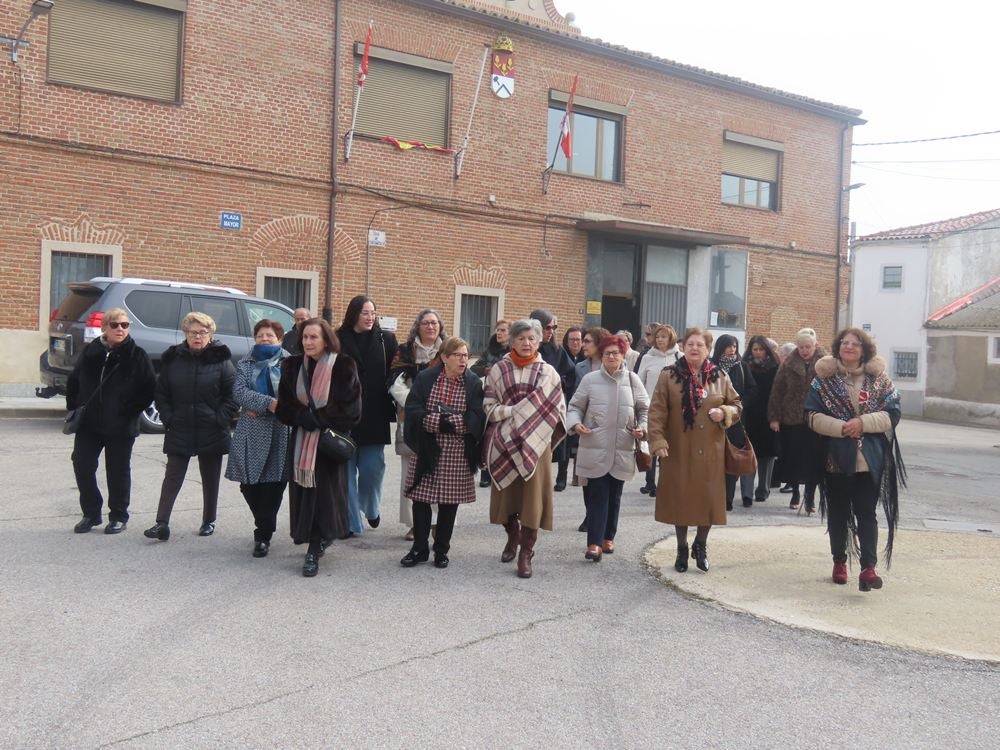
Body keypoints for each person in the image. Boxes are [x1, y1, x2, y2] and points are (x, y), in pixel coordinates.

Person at [806, 328, 904, 590]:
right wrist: (841, 428)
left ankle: (868, 569)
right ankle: (839, 561)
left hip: (869, 460)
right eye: (845, 343)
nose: (849, 347)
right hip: (836, 459)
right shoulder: (823, 381)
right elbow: (811, 415)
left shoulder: (879, 380)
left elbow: (893, 413)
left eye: (855, 344)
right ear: (838, 348)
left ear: (865, 350)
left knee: (866, 513)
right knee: (838, 512)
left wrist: (862, 423)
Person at [647, 327, 742, 573]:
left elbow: (737, 404)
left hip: (711, 450)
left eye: (700, 344)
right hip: (678, 448)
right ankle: (681, 547)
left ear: (708, 349)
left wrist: (725, 412)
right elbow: (657, 411)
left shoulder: (720, 376)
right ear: (683, 346)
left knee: (708, 500)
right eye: (690, 343)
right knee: (681, 500)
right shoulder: (669, 375)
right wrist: (657, 442)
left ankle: (701, 544)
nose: (694, 348)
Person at [275, 318, 362, 576]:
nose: (308, 342)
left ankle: (315, 546)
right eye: (305, 337)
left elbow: (353, 410)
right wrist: (302, 417)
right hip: (302, 441)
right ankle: (314, 537)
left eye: (314, 337)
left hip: (326, 443)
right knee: (305, 493)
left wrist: (321, 419)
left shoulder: (344, 365)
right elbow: (284, 406)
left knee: (326, 495)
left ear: (327, 339)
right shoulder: (291, 366)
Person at [483, 318, 567, 579]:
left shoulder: (548, 372)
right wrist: (512, 412)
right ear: (512, 341)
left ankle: (526, 552)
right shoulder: (498, 370)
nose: (526, 343)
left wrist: (529, 426)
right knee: (506, 498)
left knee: (532, 501)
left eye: (532, 338)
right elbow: (487, 406)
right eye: (521, 338)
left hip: (537, 445)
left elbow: (557, 410)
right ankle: (512, 537)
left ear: (540, 340)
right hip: (504, 442)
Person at [145, 312, 237, 541]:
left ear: (210, 335)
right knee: (173, 475)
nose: (198, 337)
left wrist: (220, 418)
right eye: (193, 332)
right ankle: (161, 523)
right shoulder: (173, 359)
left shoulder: (221, 361)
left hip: (212, 427)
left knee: (210, 477)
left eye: (203, 333)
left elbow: (232, 395)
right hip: (180, 426)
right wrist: (169, 418)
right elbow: (162, 392)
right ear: (185, 334)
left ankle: (209, 520)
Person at [66, 308, 156, 534]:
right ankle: (90, 513)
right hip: (90, 424)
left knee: (117, 471)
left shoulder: (137, 355)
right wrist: (75, 406)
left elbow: (148, 389)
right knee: (82, 464)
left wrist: (129, 411)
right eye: (115, 325)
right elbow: (74, 380)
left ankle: (118, 516)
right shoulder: (91, 351)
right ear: (104, 327)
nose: (120, 329)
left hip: (120, 424)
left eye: (125, 325)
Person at [400, 337, 485, 568]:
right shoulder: (426, 378)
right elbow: (414, 408)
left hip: (457, 451)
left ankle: (441, 550)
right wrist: (436, 422)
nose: (463, 359)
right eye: (457, 355)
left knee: (449, 503)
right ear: (444, 357)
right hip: (428, 448)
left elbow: (477, 416)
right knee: (420, 499)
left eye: (466, 355)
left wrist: (456, 424)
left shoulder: (474, 383)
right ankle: (419, 548)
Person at [567, 334, 648, 561]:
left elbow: (645, 410)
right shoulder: (590, 380)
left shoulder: (633, 380)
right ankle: (593, 543)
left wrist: (642, 428)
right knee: (597, 495)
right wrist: (575, 423)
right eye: (606, 353)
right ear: (601, 356)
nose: (611, 357)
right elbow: (574, 406)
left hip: (623, 447)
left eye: (615, 353)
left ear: (623, 355)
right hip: (595, 446)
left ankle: (608, 537)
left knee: (615, 495)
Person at [225, 319, 291, 557]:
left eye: (270, 336)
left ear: (280, 339)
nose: (265, 339)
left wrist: (266, 405)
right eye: (261, 335)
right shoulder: (246, 362)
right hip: (251, 430)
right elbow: (239, 392)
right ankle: (265, 522)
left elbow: (293, 394)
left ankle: (263, 534)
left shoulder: (290, 362)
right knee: (249, 483)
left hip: (280, 430)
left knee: (274, 483)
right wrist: (269, 403)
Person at [337, 295, 399, 535]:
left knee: (373, 470)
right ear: (353, 314)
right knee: (346, 472)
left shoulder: (386, 340)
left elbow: (396, 372)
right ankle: (352, 523)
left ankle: (371, 509)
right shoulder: (338, 339)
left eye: (373, 312)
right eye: (365, 312)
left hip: (375, 413)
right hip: (344, 415)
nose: (370, 317)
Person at [388, 308, 446, 540]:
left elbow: (457, 378)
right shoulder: (405, 351)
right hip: (410, 419)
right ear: (418, 326)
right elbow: (395, 382)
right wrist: (416, 404)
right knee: (409, 473)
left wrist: (434, 406)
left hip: (440, 417)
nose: (430, 327)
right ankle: (414, 524)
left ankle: (434, 523)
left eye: (434, 323)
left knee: (437, 472)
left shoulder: (448, 350)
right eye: (425, 323)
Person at [768, 327, 826, 513]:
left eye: (808, 346)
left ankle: (810, 496)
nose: (804, 350)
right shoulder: (788, 363)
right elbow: (777, 391)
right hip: (792, 417)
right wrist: (774, 417)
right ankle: (795, 492)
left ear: (815, 345)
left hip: (817, 418)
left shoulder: (826, 363)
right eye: (801, 347)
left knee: (814, 459)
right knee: (793, 457)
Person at [530, 308, 575, 492]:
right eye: (548, 327)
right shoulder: (526, 347)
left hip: (553, 405)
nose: (551, 332)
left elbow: (571, 374)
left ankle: (561, 476)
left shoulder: (557, 350)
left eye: (554, 327)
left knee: (557, 442)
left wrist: (556, 383)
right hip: (531, 408)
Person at [712, 334, 758, 511]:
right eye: (729, 346)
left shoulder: (742, 366)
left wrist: (738, 404)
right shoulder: (711, 366)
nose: (732, 350)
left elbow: (753, 389)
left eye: (735, 346)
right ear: (721, 347)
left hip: (736, 420)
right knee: (714, 458)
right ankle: (714, 496)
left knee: (732, 457)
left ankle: (727, 500)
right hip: (713, 418)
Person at [635, 323, 680, 495]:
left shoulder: (679, 357)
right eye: (658, 336)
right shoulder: (647, 357)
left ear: (671, 339)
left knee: (666, 445)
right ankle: (650, 482)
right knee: (650, 442)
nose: (660, 340)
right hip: (651, 406)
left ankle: (664, 482)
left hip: (672, 408)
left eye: (664, 337)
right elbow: (639, 382)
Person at [573, 326, 610, 531]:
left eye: (587, 341)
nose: (582, 344)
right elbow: (576, 399)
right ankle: (590, 515)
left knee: (605, 479)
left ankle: (601, 519)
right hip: (586, 429)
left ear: (599, 344)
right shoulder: (580, 367)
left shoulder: (612, 364)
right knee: (585, 477)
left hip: (608, 429)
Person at [470, 319, 510, 487]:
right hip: (490, 396)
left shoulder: (513, 351)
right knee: (488, 435)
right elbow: (474, 369)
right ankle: (485, 474)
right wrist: (486, 369)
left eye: (503, 330)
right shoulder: (489, 350)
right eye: (497, 330)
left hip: (507, 398)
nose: (499, 333)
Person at [741, 336, 781, 504]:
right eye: (754, 349)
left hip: (768, 415)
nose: (757, 352)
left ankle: (763, 489)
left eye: (761, 349)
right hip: (748, 415)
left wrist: (776, 416)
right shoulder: (744, 366)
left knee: (766, 455)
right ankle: (747, 494)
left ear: (767, 350)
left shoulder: (775, 367)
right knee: (747, 453)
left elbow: (779, 393)